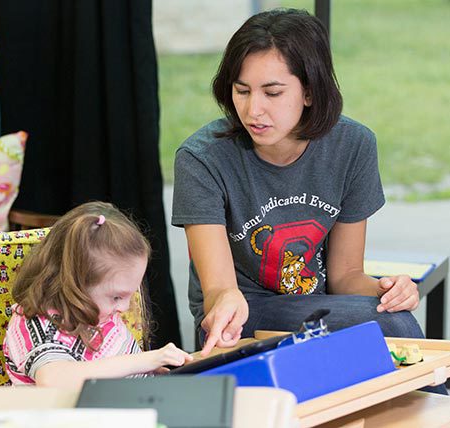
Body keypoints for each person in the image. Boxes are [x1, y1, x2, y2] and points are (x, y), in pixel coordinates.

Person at [172, 8, 434, 371]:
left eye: (272, 92)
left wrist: (387, 290)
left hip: (318, 306)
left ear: (310, 92)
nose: (253, 110)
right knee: (391, 325)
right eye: (242, 91)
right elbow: (218, 290)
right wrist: (226, 300)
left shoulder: (353, 146)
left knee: (390, 317)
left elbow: (345, 277)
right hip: (239, 314)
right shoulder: (201, 159)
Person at [3, 201, 192, 389]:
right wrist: (145, 360)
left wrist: (147, 370)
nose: (124, 308)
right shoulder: (38, 326)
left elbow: (112, 367)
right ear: (74, 283)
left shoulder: (97, 313)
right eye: (116, 297)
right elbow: (53, 379)